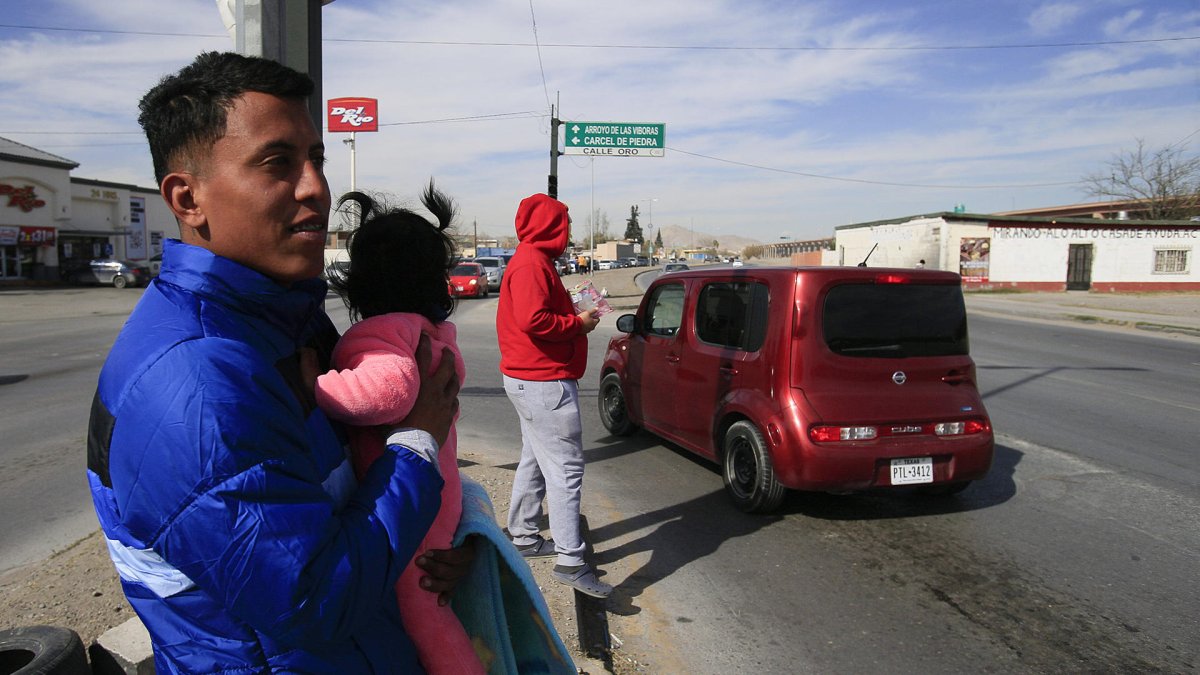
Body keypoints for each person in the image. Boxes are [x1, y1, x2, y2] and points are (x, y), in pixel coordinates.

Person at [86, 51, 469, 673]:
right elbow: (317, 600)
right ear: (187, 198)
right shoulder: (197, 383)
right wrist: (419, 441)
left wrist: (444, 544)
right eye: (277, 163)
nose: (316, 187)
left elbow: (351, 489)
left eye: (316, 158)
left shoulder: (285, 318)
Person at [314, 186, 483, 674]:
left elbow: (389, 391)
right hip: (433, 493)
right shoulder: (430, 332)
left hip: (411, 507)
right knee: (434, 617)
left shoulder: (384, 331)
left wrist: (313, 388)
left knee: (427, 623)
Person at [496, 193, 612, 598]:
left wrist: (574, 313)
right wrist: (578, 324)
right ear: (551, 226)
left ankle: (524, 536)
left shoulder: (533, 260)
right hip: (543, 382)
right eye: (566, 223)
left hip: (532, 380)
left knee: (534, 459)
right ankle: (570, 561)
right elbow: (535, 320)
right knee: (565, 469)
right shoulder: (531, 263)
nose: (569, 230)